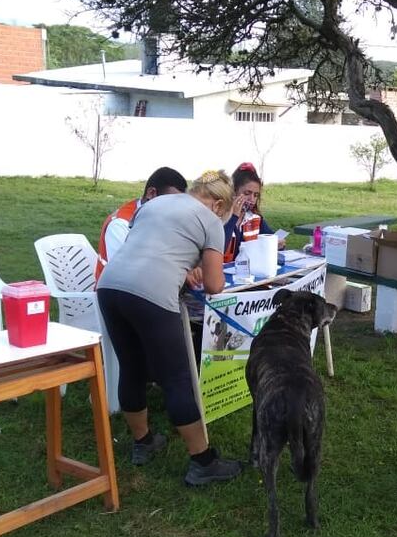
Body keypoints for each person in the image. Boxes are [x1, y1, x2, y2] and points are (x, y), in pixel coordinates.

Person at [97, 170, 243, 487]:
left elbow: (154, 246)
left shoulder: (155, 204)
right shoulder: (212, 221)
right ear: (218, 204)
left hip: (109, 288)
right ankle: (203, 462)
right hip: (151, 293)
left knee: (131, 368)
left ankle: (143, 443)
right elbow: (215, 285)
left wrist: (185, 263)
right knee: (177, 378)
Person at [95, 167, 188, 282]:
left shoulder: (159, 215)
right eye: (170, 202)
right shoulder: (120, 224)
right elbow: (124, 273)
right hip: (117, 292)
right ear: (151, 193)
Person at [223, 162, 283, 263]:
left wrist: (278, 244)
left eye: (256, 195)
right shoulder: (219, 216)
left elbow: (270, 237)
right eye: (247, 193)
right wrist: (234, 216)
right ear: (233, 191)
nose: (252, 199)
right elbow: (219, 247)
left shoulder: (254, 219)